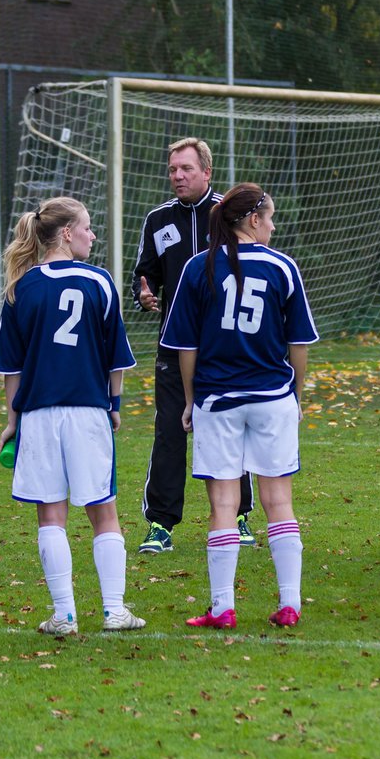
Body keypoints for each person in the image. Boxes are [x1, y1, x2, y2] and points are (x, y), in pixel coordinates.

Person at [161, 183, 319, 629]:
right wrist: (296, 396)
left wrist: (192, 400)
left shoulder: (199, 267)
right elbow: (299, 344)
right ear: (252, 220)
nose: (273, 225)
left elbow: (185, 348)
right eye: (269, 217)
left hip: (219, 401)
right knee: (278, 501)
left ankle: (223, 608)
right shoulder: (282, 267)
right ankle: (290, 604)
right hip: (272, 398)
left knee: (223, 505)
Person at [0, 196, 145, 635]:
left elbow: (11, 369)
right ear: (65, 233)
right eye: (88, 228)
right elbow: (117, 359)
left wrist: (12, 421)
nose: (92, 235)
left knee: (50, 516)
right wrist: (114, 407)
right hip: (88, 413)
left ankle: (65, 615)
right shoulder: (101, 283)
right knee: (104, 510)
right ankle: (114, 611)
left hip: (38, 416)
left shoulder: (21, 287)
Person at [131, 138, 255, 555]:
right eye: (172, 170)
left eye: (185, 168)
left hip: (223, 344)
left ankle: (238, 516)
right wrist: (144, 295)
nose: (178, 176)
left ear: (207, 172)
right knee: (170, 432)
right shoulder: (157, 220)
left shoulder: (229, 213)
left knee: (227, 430)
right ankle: (160, 525)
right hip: (173, 346)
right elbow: (144, 276)